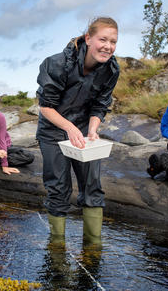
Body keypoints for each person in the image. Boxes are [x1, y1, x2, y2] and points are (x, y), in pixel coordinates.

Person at [36, 17, 119, 243]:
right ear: (88, 38)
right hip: (53, 131)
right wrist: (69, 127)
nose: (108, 46)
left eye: (113, 42)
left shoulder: (111, 69)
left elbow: (100, 105)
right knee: (58, 187)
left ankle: (93, 246)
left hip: (83, 130)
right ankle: (57, 246)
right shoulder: (56, 64)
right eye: (103, 39)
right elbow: (46, 107)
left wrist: (92, 129)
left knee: (92, 186)